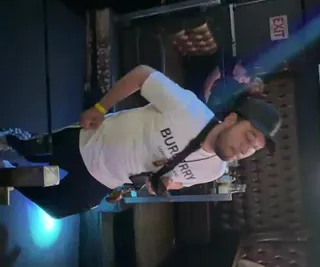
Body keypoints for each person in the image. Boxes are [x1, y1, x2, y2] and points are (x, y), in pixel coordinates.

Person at [0, 64, 281, 219]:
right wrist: (100, 108)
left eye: (254, 148)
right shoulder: (189, 109)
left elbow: (180, 180)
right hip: (88, 142)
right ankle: (13, 139)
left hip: (105, 180)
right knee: (31, 151)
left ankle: (7, 171)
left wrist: (166, 183)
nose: (246, 149)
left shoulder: (215, 171)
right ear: (231, 120)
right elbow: (142, 75)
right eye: (249, 136)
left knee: (56, 208)